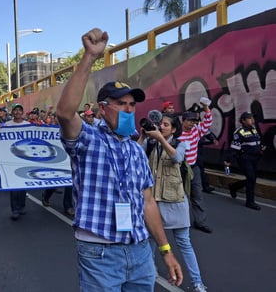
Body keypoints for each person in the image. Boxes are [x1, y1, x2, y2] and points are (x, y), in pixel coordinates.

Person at [55, 28, 183, 291]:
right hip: (100, 254)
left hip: (140, 252)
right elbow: (65, 113)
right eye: (121, 104)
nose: (129, 109)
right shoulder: (88, 140)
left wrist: (166, 250)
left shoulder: (137, 150)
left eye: (132, 105)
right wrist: (90, 58)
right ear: (102, 108)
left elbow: (147, 202)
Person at [139, 113, 207, 292]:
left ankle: (197, 282)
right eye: (160, 124)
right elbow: (136, 155)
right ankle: (151, 271)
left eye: (165, 124)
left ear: (174, 129)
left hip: (175, 200)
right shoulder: (151, 144)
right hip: (155, 201)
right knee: (151, 240)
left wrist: (161, 139)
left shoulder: (182, 143)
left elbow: (177, 158)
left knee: (184, 242)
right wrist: (143, 136)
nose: (161, 127)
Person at [178, 104, 213, 234]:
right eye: (189, 121)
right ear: (183, 121)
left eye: (193, 121)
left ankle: (200, 222)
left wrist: (206, 108)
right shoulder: (176, 133)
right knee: (179, 196)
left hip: (193, 169)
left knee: (197, 196)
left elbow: (208, 122)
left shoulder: (196, 131)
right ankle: (179, 221)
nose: (192, 123)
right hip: (179, 169)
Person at [224, 112, 265, 210]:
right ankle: (250, 202)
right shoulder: (240, 132)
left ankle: (234, 186)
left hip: (255, 158)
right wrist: (228, 161)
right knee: (251, 178)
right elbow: (234, 147)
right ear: (243, 120)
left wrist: (261, 149)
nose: (252, 120)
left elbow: (256, 142)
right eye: (250, 118)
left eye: (252, 118)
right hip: (245, 159)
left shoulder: (254, 130)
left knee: (252, 179)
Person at [4, 103, 31, 220]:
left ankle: (22, 206)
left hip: (24, 158)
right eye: (15, 110)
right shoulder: (7, 124)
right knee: (14, 185)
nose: (18, 112)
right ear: (12, 112)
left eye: (20, 110)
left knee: (23, 183)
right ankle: (14, 209)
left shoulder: (28, 125)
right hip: (11, 158)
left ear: (22, 112)